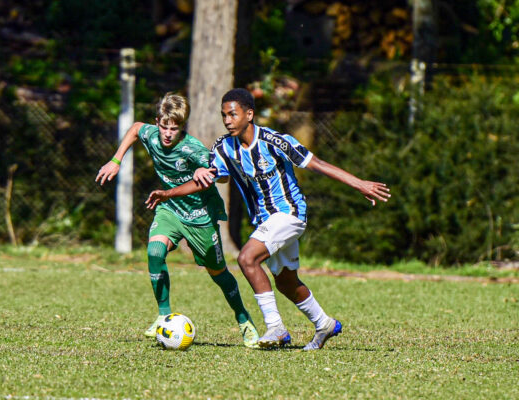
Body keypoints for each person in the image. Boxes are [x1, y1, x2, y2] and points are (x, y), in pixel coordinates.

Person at [145, 88, 391, 350]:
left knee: (247, 258)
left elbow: (316, 163)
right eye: (223, 115)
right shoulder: (224, 147)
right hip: (265, 220)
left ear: (249, 114)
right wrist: (169, 192)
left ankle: (276, 328)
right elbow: (209, 179)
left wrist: (359, 184)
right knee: (286, 282)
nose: (227, 120)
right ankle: (324, 324)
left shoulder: (275, 141)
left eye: (232, 114)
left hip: (289, 213)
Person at [95, 93, 260, 348]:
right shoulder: (151, 134)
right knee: (155, 251)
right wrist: (116, 160)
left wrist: (205, 172)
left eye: (175, 129)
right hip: (170, 208)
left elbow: (225, 177)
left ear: (182, 127)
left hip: (200, 217)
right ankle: (163, 315)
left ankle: (243, 320)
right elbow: (136, 129)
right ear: (158, 121)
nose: (168, 133)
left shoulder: (192, 148)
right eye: (164, 126)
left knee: (218, 273)